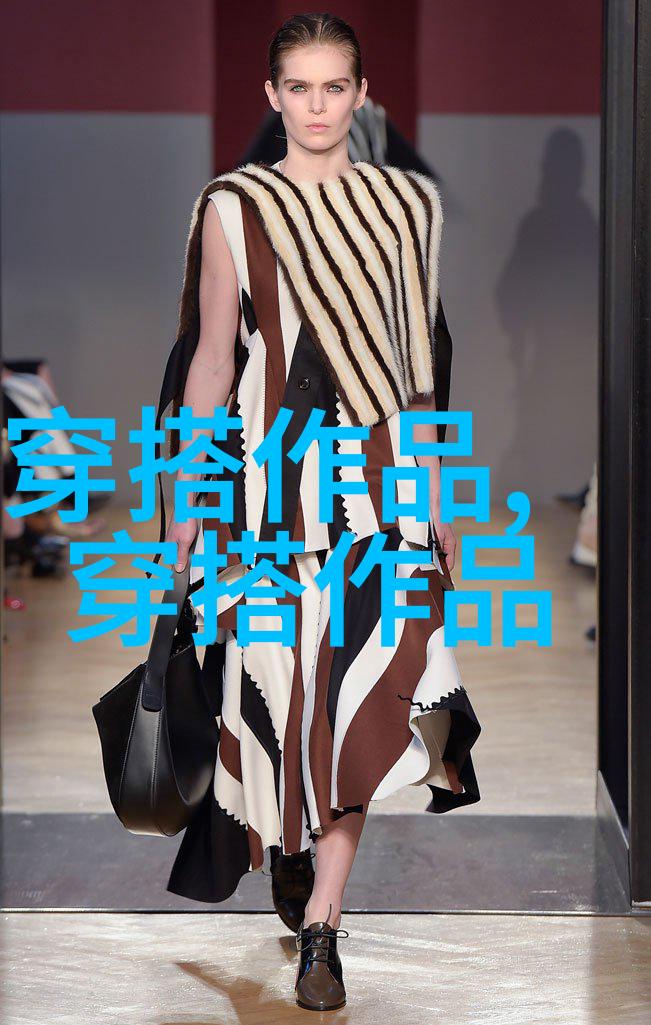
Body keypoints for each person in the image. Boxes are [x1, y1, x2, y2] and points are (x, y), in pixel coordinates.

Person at [158, 12, 482, 1012]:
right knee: (273, 695)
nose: (314, 106)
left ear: (360, 94)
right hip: (264, 492)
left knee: (357, 701)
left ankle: (324, 928)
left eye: (332, 87)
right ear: (271, 96)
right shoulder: (233, 207)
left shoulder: (396, 210)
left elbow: (414, 370)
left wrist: (433, 491)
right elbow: (212, 362)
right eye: (296, 87)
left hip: (376, 488)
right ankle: (287, 847)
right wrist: (184, 497)